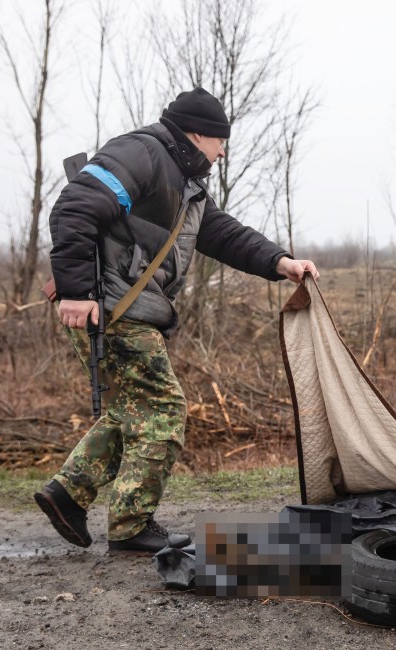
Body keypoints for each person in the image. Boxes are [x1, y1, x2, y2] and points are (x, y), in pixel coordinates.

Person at [34, 87, 318, 553]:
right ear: (197, 134)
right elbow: (75, 207)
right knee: (163, 409)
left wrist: (279, 262)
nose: (224, 150)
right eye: (220, 141)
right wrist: (76, 291)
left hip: (128, 310)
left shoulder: (185, 183)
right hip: (111, 308)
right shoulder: (143, 152)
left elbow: (223, 234)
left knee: (135, 410)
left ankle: (69, 493)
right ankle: (129, 525)